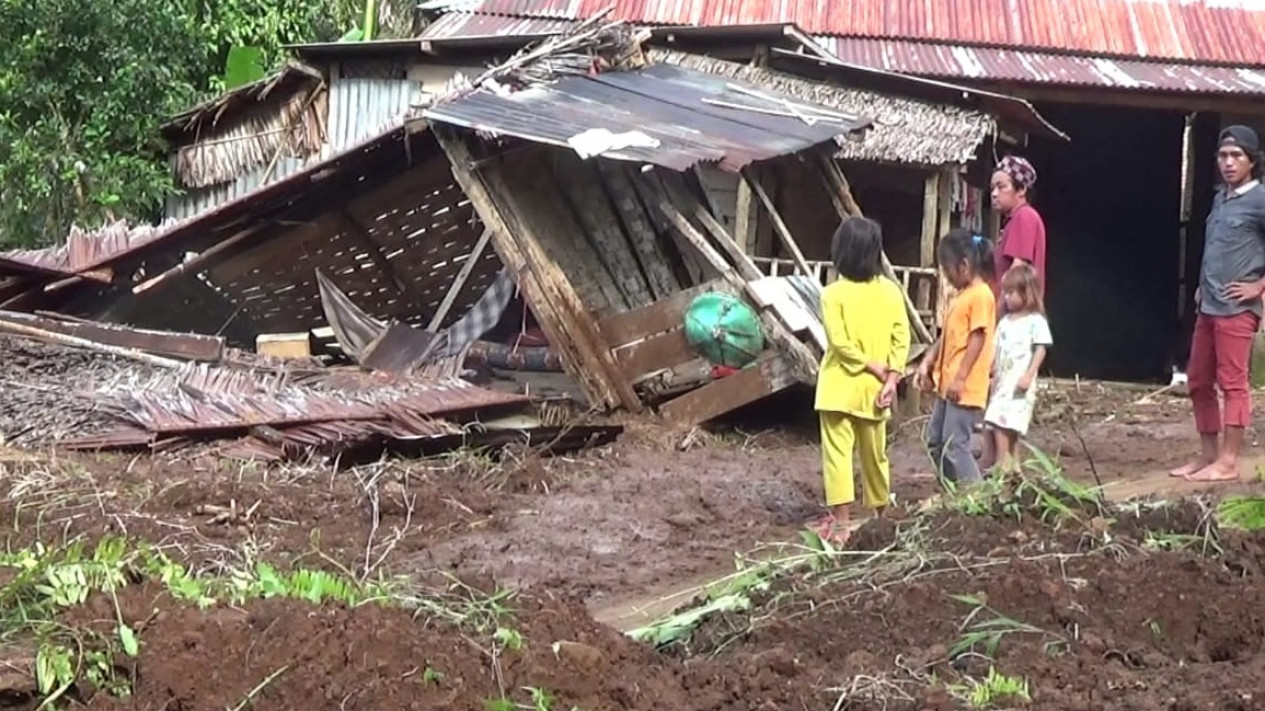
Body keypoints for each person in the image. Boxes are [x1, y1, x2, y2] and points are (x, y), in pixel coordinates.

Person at [1171, 125, 1265, 483]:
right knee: (1197, 380)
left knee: (1233, 383)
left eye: (1236, 156)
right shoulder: (1219, 197)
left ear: (1252, 162)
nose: (1228, 163)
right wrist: (1200, 287)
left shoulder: (1260, 200)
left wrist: (1259, 286)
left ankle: (1228, 460)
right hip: (1207, 305)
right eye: (1223, 156)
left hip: (1237, 310)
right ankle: (1208, 454)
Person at [813, 217, 911, 544]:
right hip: (875, 390)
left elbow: (838, 343)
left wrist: (872, 367)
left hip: (838, 387)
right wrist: (891, 376)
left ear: (840, 251)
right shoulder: (891, 292)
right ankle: (881, 517)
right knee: (875, 454)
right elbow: (902, 337)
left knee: (838, 456)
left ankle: (842, 524)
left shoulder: (832, 294)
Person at [916, 229, 996, 486]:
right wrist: (928, 360)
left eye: (947, 269)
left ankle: (978, 496)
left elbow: (978, 337)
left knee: (955, 446)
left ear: (963, 265)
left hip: (964, 386)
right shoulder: (960, 297)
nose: (946, 277)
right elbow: (947, 336)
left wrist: (961, 378)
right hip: (947, 385)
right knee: (935, 442)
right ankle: (953, 492)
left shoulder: (981, 295)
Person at [980, 264, 1053, 473]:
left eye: (1011, 293)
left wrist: (1029, 375)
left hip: (1019, 383)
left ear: (1026, 293)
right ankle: (1014, 467)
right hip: (1002, 382)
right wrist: (988, 371)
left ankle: (1002, 464)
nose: (1006, 297)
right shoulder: (1004, 323)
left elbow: (1041, 349)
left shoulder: (1035, 321)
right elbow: (994, 349)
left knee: (1002, 422)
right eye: (1005, 292)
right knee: (1000, 421)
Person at [991, 155, 1047, 306]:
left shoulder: (1024, 216)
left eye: (1001, 186)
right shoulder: (1013, 219)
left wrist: (997, 313)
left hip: (1018, 316)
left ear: (1021, 189)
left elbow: (1017, 270)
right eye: (992, 188)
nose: (994, 193)